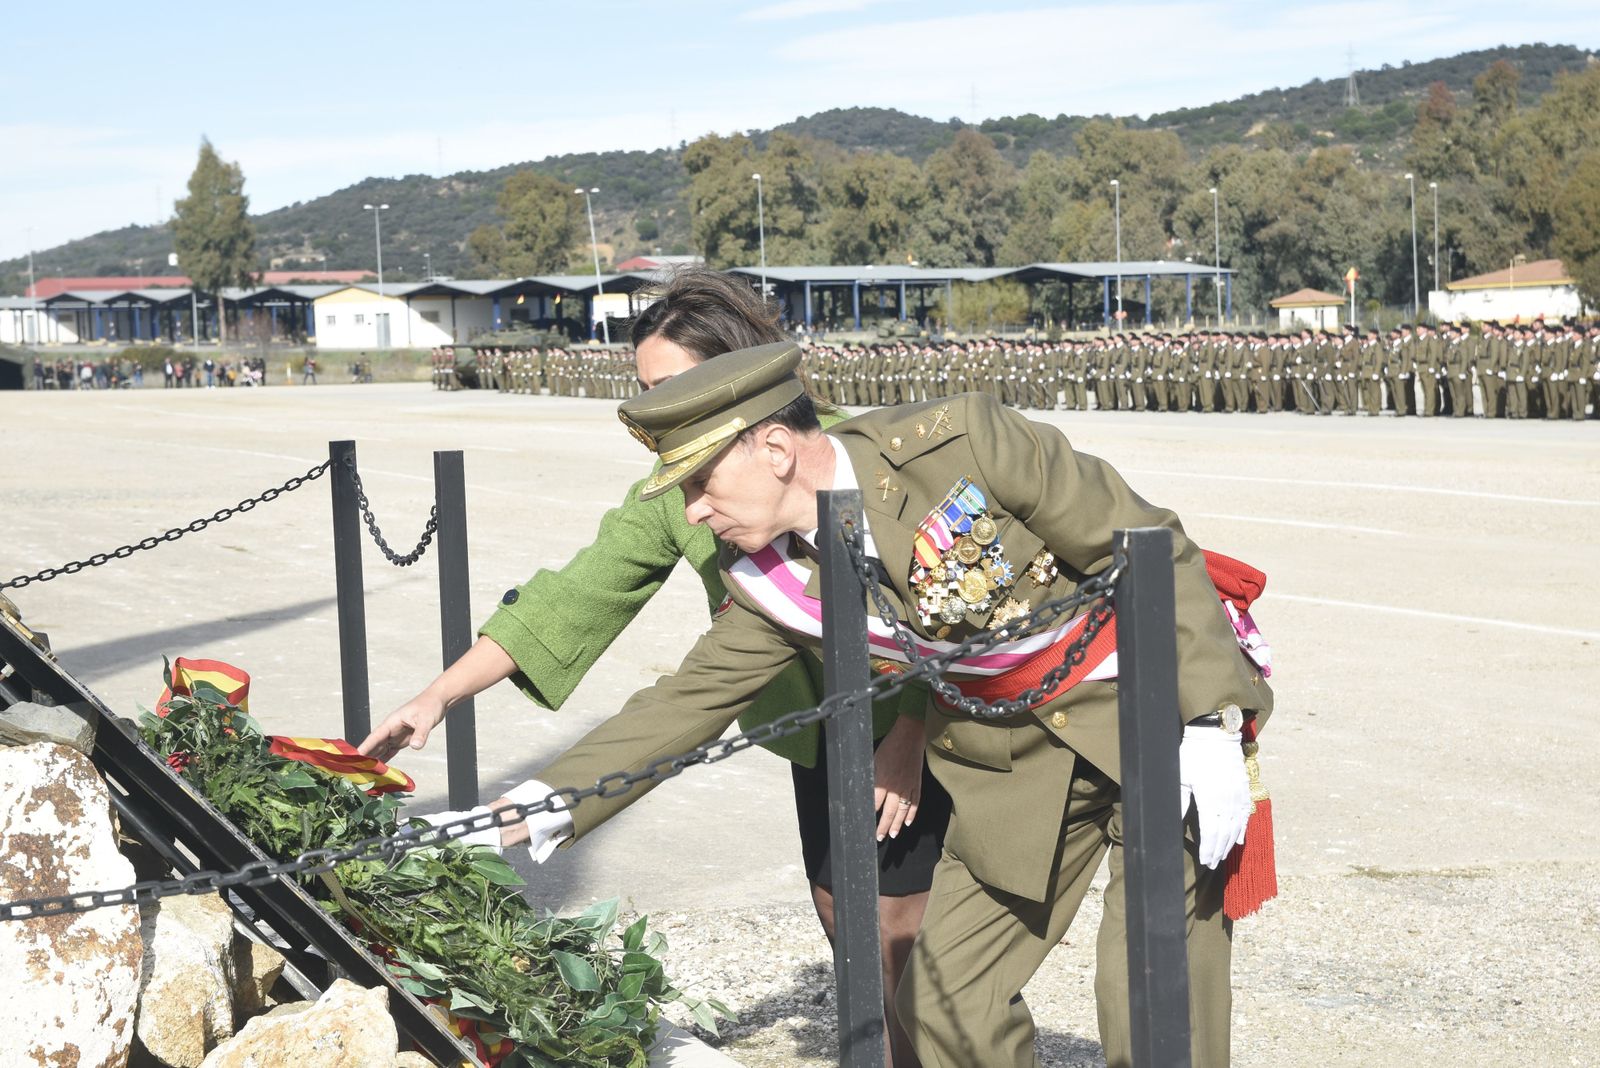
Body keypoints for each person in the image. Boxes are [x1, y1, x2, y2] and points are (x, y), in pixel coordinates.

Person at [368, 339, 1275, 1067]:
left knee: (1156, 998)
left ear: (772, 446)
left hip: (1152, 723)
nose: (691, 514)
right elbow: (686, 700)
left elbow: (1149, 545)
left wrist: (1202, 721)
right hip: (1017, 771)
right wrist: (536, 806)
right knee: (947, 1001)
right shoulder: (770, 578)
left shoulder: (965, 445)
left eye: (697, 483)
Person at [360, 268, 950, 1067]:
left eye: (669, 387)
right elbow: (576, 597)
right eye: (642, 393)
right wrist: (435, 697)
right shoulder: (676, 492)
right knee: (843, 913)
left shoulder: (831, 453)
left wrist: (912, 733)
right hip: (814, 726)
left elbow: (948, 611)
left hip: (915, 718)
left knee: (903, 930)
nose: (650, 413)